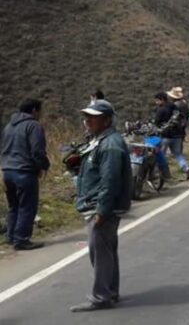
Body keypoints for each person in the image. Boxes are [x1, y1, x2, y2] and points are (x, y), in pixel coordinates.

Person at [70, 100, 132, 312]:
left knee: (100, 253)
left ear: (106, 120)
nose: (87, 121)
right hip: (99, 204)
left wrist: (102, 211)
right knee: (107, 250)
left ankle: (101, 296)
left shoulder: (110, 145)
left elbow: (110, 180)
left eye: (93, 117)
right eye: (86, 116)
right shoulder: (102, 140)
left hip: (102, 206)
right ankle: (110, 291)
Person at [1, 99, 50, 250]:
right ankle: (21, 239)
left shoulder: (9, 126)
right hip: (24, 171)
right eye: (40, 110)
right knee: (27, 206)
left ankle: (11, 236)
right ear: (34, 110)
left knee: (14, 205)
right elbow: (37, 151)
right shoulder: (33, 125)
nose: (41, 114)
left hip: (8, 171)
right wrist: (44, 165)